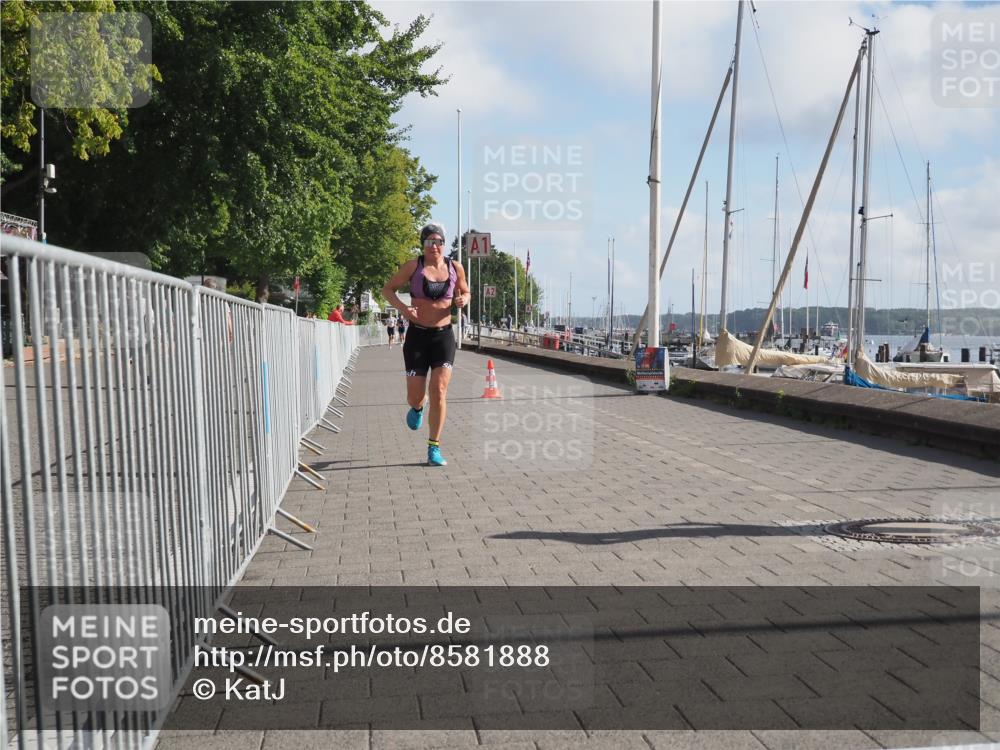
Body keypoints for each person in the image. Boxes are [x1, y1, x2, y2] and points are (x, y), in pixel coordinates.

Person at [381, 221, 470, 467]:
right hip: (417, 337)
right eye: (430, 242)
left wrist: (463, 300)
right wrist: (404, 310)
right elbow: (387, 290)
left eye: (438, 242)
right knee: (415, 395)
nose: (435, 246)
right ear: (423, 244)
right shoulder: (413, 266)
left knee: (439, 390)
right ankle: (418, 408)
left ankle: (434, 447)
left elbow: (466, 291)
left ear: (443, 243)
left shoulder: (455, 267)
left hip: (443, 336)